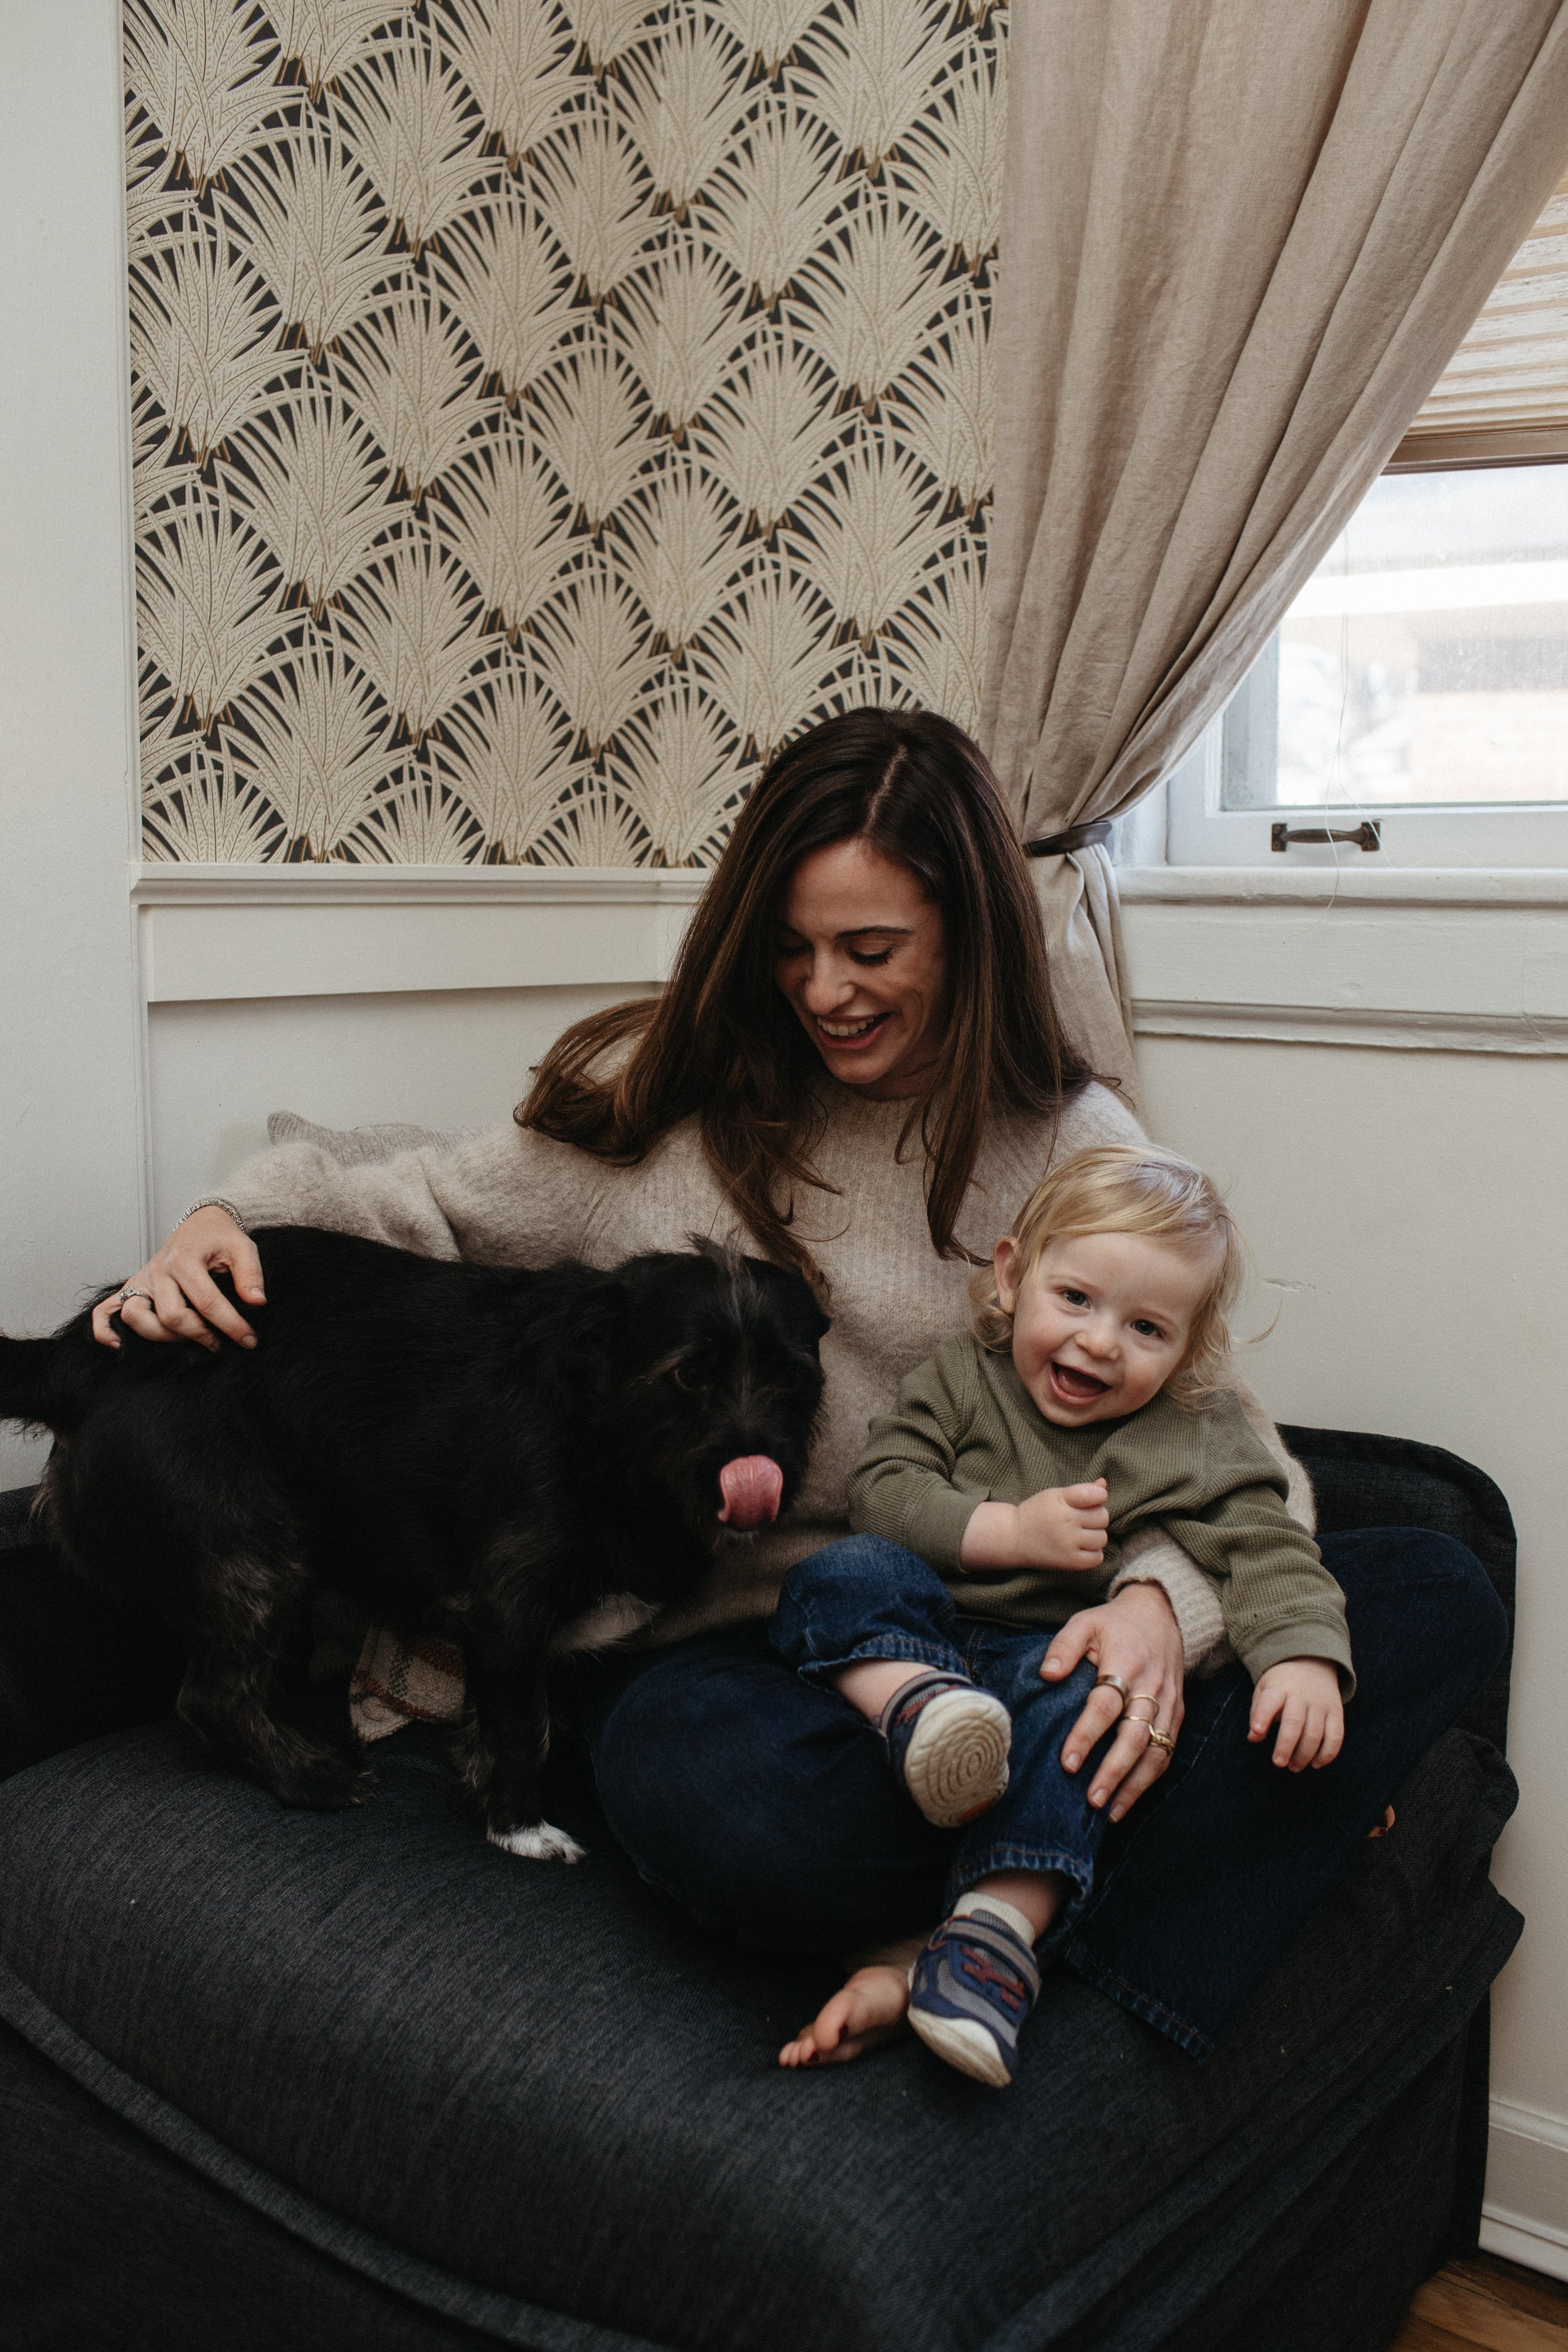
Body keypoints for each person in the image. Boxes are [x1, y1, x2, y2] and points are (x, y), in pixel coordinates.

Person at [88, 706, 1505, 2069]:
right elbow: (424, 1197)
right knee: (731, 1817)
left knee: (1429, 1590)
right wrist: (230, 1217)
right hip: (740, 1668)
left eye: (871, 948)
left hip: (1006, 1642)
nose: (825, 991)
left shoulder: (1071, 1143)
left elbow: (1243, 1462)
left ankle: (978, 1927)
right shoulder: (676, 1108)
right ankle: (1055, 1888)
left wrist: (1157, 1608)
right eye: (791, 948)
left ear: (968, 934)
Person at [770, 1142, 1353, 2088]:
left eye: (1147, 1327)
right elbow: (883, 1489)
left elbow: (1267, 1544)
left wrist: (1301, 1658)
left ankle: (991, 1937)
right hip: (922, 1636)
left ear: (1191, 1348)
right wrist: (1008, 1530)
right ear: (1013, 1276)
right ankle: (921, 1708)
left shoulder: (1198, 1431)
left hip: (1048, 1661)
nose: (1100, 1342)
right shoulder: (966, 1376)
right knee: (840, 1572)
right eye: (1075, 1298)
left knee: (1092, 1718)